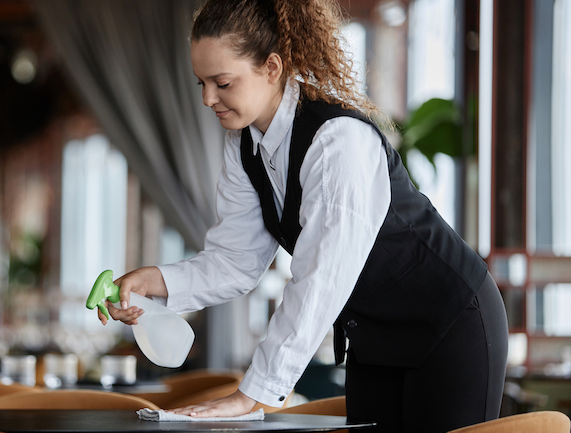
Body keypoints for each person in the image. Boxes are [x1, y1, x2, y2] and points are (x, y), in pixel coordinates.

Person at [98, 1, 509, 431]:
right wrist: (158, 282)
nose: (207, 98)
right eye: (201, 82)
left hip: (452, 323)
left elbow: (320, 279)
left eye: (222, 82)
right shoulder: (244, 146)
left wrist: (250, 395)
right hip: (377, 338)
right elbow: (234, 261)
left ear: (272, 67)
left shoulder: (338, 141)